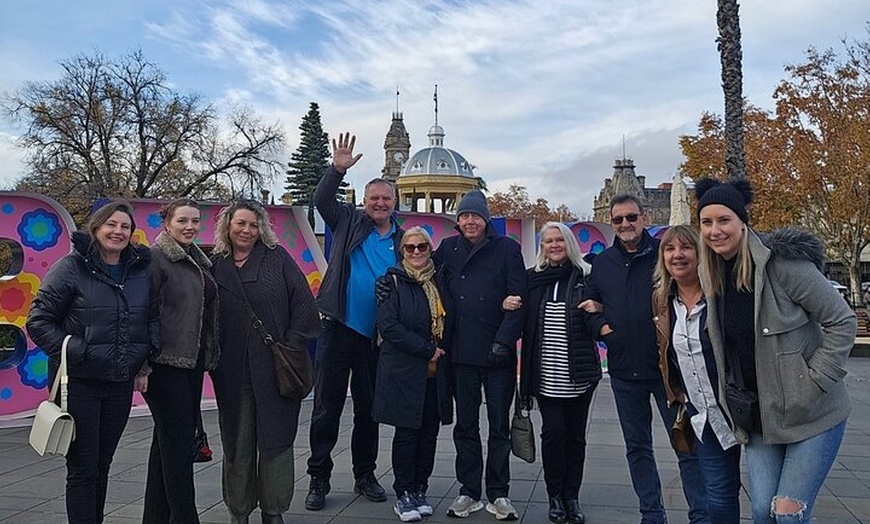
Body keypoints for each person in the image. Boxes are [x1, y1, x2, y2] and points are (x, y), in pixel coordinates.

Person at [695, 178, 856, 524]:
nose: (714, 230)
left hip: (812, 415)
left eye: (724, 220)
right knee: (759, 511)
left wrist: (813, 383)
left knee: (787, 512)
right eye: (706, 222)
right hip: (759, 418)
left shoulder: (783, 265)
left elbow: (842, 321)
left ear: (742, 221)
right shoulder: (712, 275)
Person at [26, 200, 159, 524]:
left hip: (118, 384)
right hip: (80, 385)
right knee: (84, 468)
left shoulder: (140, 271)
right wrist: (80, 352)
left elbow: (150, 317)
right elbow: (38, 321)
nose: (118, 231)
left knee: (103, 464)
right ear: (96, 227)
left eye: (125, 227)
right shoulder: (71, 267)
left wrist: (142, 360)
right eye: (111, 225)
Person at [580, 194, 708, 524]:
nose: (626, 224)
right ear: (612, 223)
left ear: (644, 217)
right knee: (637, 449)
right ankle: (652, 514)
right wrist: (604, 329)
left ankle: (701, 515)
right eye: (619, 219)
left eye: (631, 217)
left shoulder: (664, 255)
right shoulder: (602, 262)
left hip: (670, 371)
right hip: (624, 372)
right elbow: (587, 303)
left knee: (686, 446)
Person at [305, 133, 403, 510]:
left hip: (377, 338)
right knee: (326, 407)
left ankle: (365, 474)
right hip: (338, 327)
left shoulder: (403, 237)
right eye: (374, 198)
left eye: (386, 199)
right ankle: (318, 477)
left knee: (369, 410)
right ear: (364, 202)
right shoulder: (348, 220)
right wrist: (336, 170)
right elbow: (321, 200)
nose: (380, 204)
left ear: (395, 204)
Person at [210, 199, 320, 524]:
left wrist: (293, 345)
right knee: (237, 441)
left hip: (275, 368)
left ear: (262, 228)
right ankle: (239, 511)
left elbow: (303, 303)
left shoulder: (277, 259)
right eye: (240, 223)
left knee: (275, 440)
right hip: (231, 370)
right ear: (227, 225)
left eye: (253, 224)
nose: (247, 230)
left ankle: (274, 510)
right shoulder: (216, 263)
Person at [432, 189, 527, 521]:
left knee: (499, 426)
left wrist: (504, 341)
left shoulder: (507, 249)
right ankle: (468, 490)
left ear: (486, 219)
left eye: (475, 216)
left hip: (497, 353)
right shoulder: (447, 249)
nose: (470, 221)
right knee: (466, 426)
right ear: (458, 221)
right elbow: (420, 273)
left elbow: (519, 300)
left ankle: (498, 493)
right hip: (461, 353)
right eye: (464, 216)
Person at [506, 222, 601, 524]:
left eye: (560, 239)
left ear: (569, 242)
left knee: (576, 438)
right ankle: (555, 496)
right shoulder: (532, 280)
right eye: (548, 241)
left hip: (580, 373)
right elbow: (516, 311)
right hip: (546, 373)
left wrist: (600, 308)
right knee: (553, 434)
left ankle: (572, 497)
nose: (554, 245)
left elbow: (605, 309)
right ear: (542, 246)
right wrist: (504, 303)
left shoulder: (587, 276)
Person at [652, 225, 741, 524]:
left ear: (700, 252)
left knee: (768, 499)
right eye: (669, 249)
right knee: (718, 497)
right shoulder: (663, 300)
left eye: (685, 247)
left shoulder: (724, 292)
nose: (677, 255)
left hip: (743, 409)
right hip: (703, 416)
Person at [143, 198, 220, 524]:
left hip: (191, 362)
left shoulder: (197, 260)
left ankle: (156, 517)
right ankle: (185, 518)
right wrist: (143, 365)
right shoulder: (156, 259)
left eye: (194, 221)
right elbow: (141, 315)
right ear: (167, 223)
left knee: (165, 444)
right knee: (177, 449)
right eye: (182, 221)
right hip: (165, 365)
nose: (189, 227)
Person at [373, 226, 453, 523]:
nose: (416, 252)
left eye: (422, 247)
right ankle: (404, 492)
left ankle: (420, 487)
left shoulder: (440, 280)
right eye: (410, 248)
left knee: (428, 433)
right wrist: (426, 349)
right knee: (407, 433)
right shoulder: (390, 282)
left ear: (430, 250)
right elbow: (389, 327)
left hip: (435, 375)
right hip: (405, 371)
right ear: (402, 251)